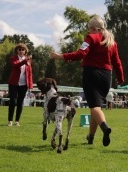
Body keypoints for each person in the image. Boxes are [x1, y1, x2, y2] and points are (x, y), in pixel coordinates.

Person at [50, 15, 124, 147]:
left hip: (91, 74)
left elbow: (80, 54)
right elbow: (117, 63)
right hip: (107, 76)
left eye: (89, 28)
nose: (88, 31)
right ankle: (90, 137)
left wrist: (60, 56)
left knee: (94, 107)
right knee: (96, 107)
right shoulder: (112, 42)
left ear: (93, 28)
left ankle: (105, 127)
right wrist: (120, 78)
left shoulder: (91, 38)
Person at [7, 43, 33, 126]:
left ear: (25, 51)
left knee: (20, 102)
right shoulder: (13, 58)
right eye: (19, 49)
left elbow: (29, 73)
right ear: (17, 50)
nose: (21, 51)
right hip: (14, 83)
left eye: (23, 49)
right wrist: (25, 61)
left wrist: (30, 85)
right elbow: (15, 66)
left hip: (24, 84)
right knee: (13, 101)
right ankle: (10, 120)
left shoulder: (28, 60)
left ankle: (17, 121)